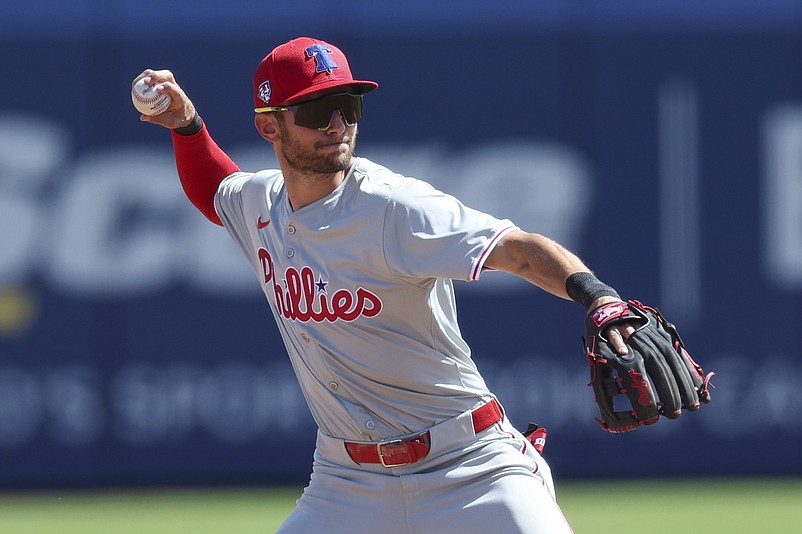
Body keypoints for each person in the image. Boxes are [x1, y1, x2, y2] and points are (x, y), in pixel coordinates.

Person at [134, 37, 648, 534]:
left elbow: (517, 249)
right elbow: (216, 191)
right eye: (316, 111)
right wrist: (187, 126)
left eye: (347, 107)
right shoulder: (260, 205)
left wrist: (597, 296)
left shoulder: (393, 207)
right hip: (346, 481)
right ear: (269, 127)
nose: (337, 125)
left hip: (470, 466)